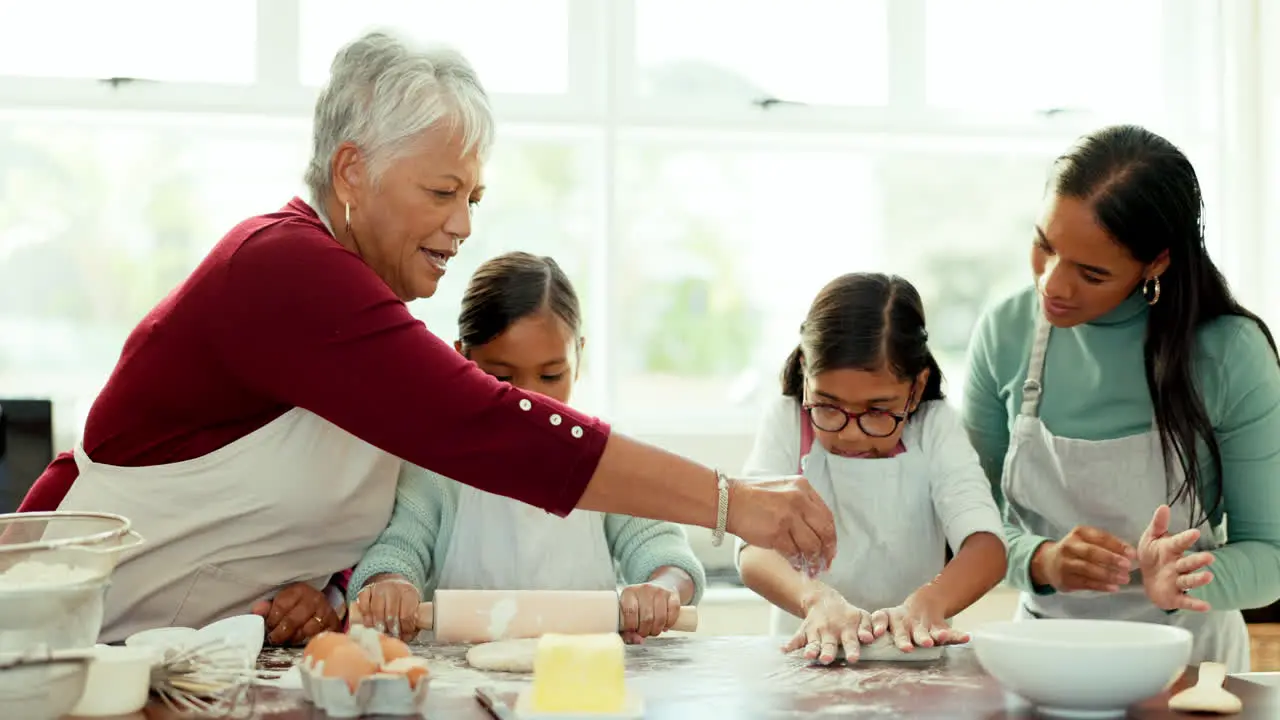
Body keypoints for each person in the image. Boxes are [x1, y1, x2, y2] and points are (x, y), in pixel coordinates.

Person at [18, 30, 836, 646]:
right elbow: (498, 428)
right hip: (55, 623)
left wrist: (327, 593)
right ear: (351, 172)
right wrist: (737, 504)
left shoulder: (368, 325)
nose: (463, 225)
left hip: (163, 650)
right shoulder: (281, 269)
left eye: (475, 196)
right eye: (442, 191)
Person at [963, 124, 1280, 673]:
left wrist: (1178, 580)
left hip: (1189, 663)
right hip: (1043, 658)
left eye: (1091, 273)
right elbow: (967, 523)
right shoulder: (1005, 331)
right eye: (1044, 245)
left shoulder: (1230, 354)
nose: (1053, 286)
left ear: (1155, 263)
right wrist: (1040, 559)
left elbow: (1271, 554)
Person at [350, 252, 706, 643]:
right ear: (459, 358)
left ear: (579, 355)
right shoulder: (438, 465)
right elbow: (398, 550)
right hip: (464, 689)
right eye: (502, 377)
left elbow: (664, 550)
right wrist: (391, 585)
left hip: (584, 683)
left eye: (551, 375)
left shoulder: (606, 460)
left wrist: (663, 589)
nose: (530, 401)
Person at [736, 273, 1007, 664]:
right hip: (810, 662)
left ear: (917, 387)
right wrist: (815, 599)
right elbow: (753, 550)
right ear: (804, 370)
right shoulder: (787, 421)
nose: (849, 433)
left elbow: (987, 548)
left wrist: (931, 600)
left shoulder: (935, 425)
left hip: (917, 663)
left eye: (877, 411)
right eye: (828, 406)